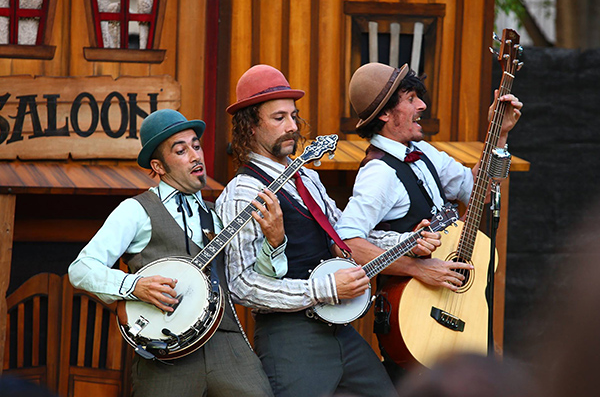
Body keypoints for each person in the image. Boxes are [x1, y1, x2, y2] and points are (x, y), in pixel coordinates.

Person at [215, 64, 440, 397]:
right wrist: (322, 290)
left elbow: (342, 238)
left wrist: (408, 242)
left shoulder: (307, 178)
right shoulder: (242, 193)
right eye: (279, 118)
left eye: (294, 116)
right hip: (291, 340)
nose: (292, 126)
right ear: (250, 126)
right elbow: (241, 284)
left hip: (339, 330)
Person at [335, 62, 523, 381]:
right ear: (384, 115)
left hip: (453, 303)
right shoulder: (378, 174)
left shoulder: (423, 152)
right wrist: (418, 268)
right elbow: (347, 245)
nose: (422, 105)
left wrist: (499, 134)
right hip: (415, 318)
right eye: (411, 99)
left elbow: (478, 191)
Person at [68, 109, 275, 397]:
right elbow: (81, 268)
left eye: (196, 145)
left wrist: (275, 244)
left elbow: (251, 278)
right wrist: (134, 286)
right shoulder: (136, 210)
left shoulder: (219, 215)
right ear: (159, 166)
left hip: (226, 344)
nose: (195, 155)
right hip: (165, 352)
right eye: (181, 150)